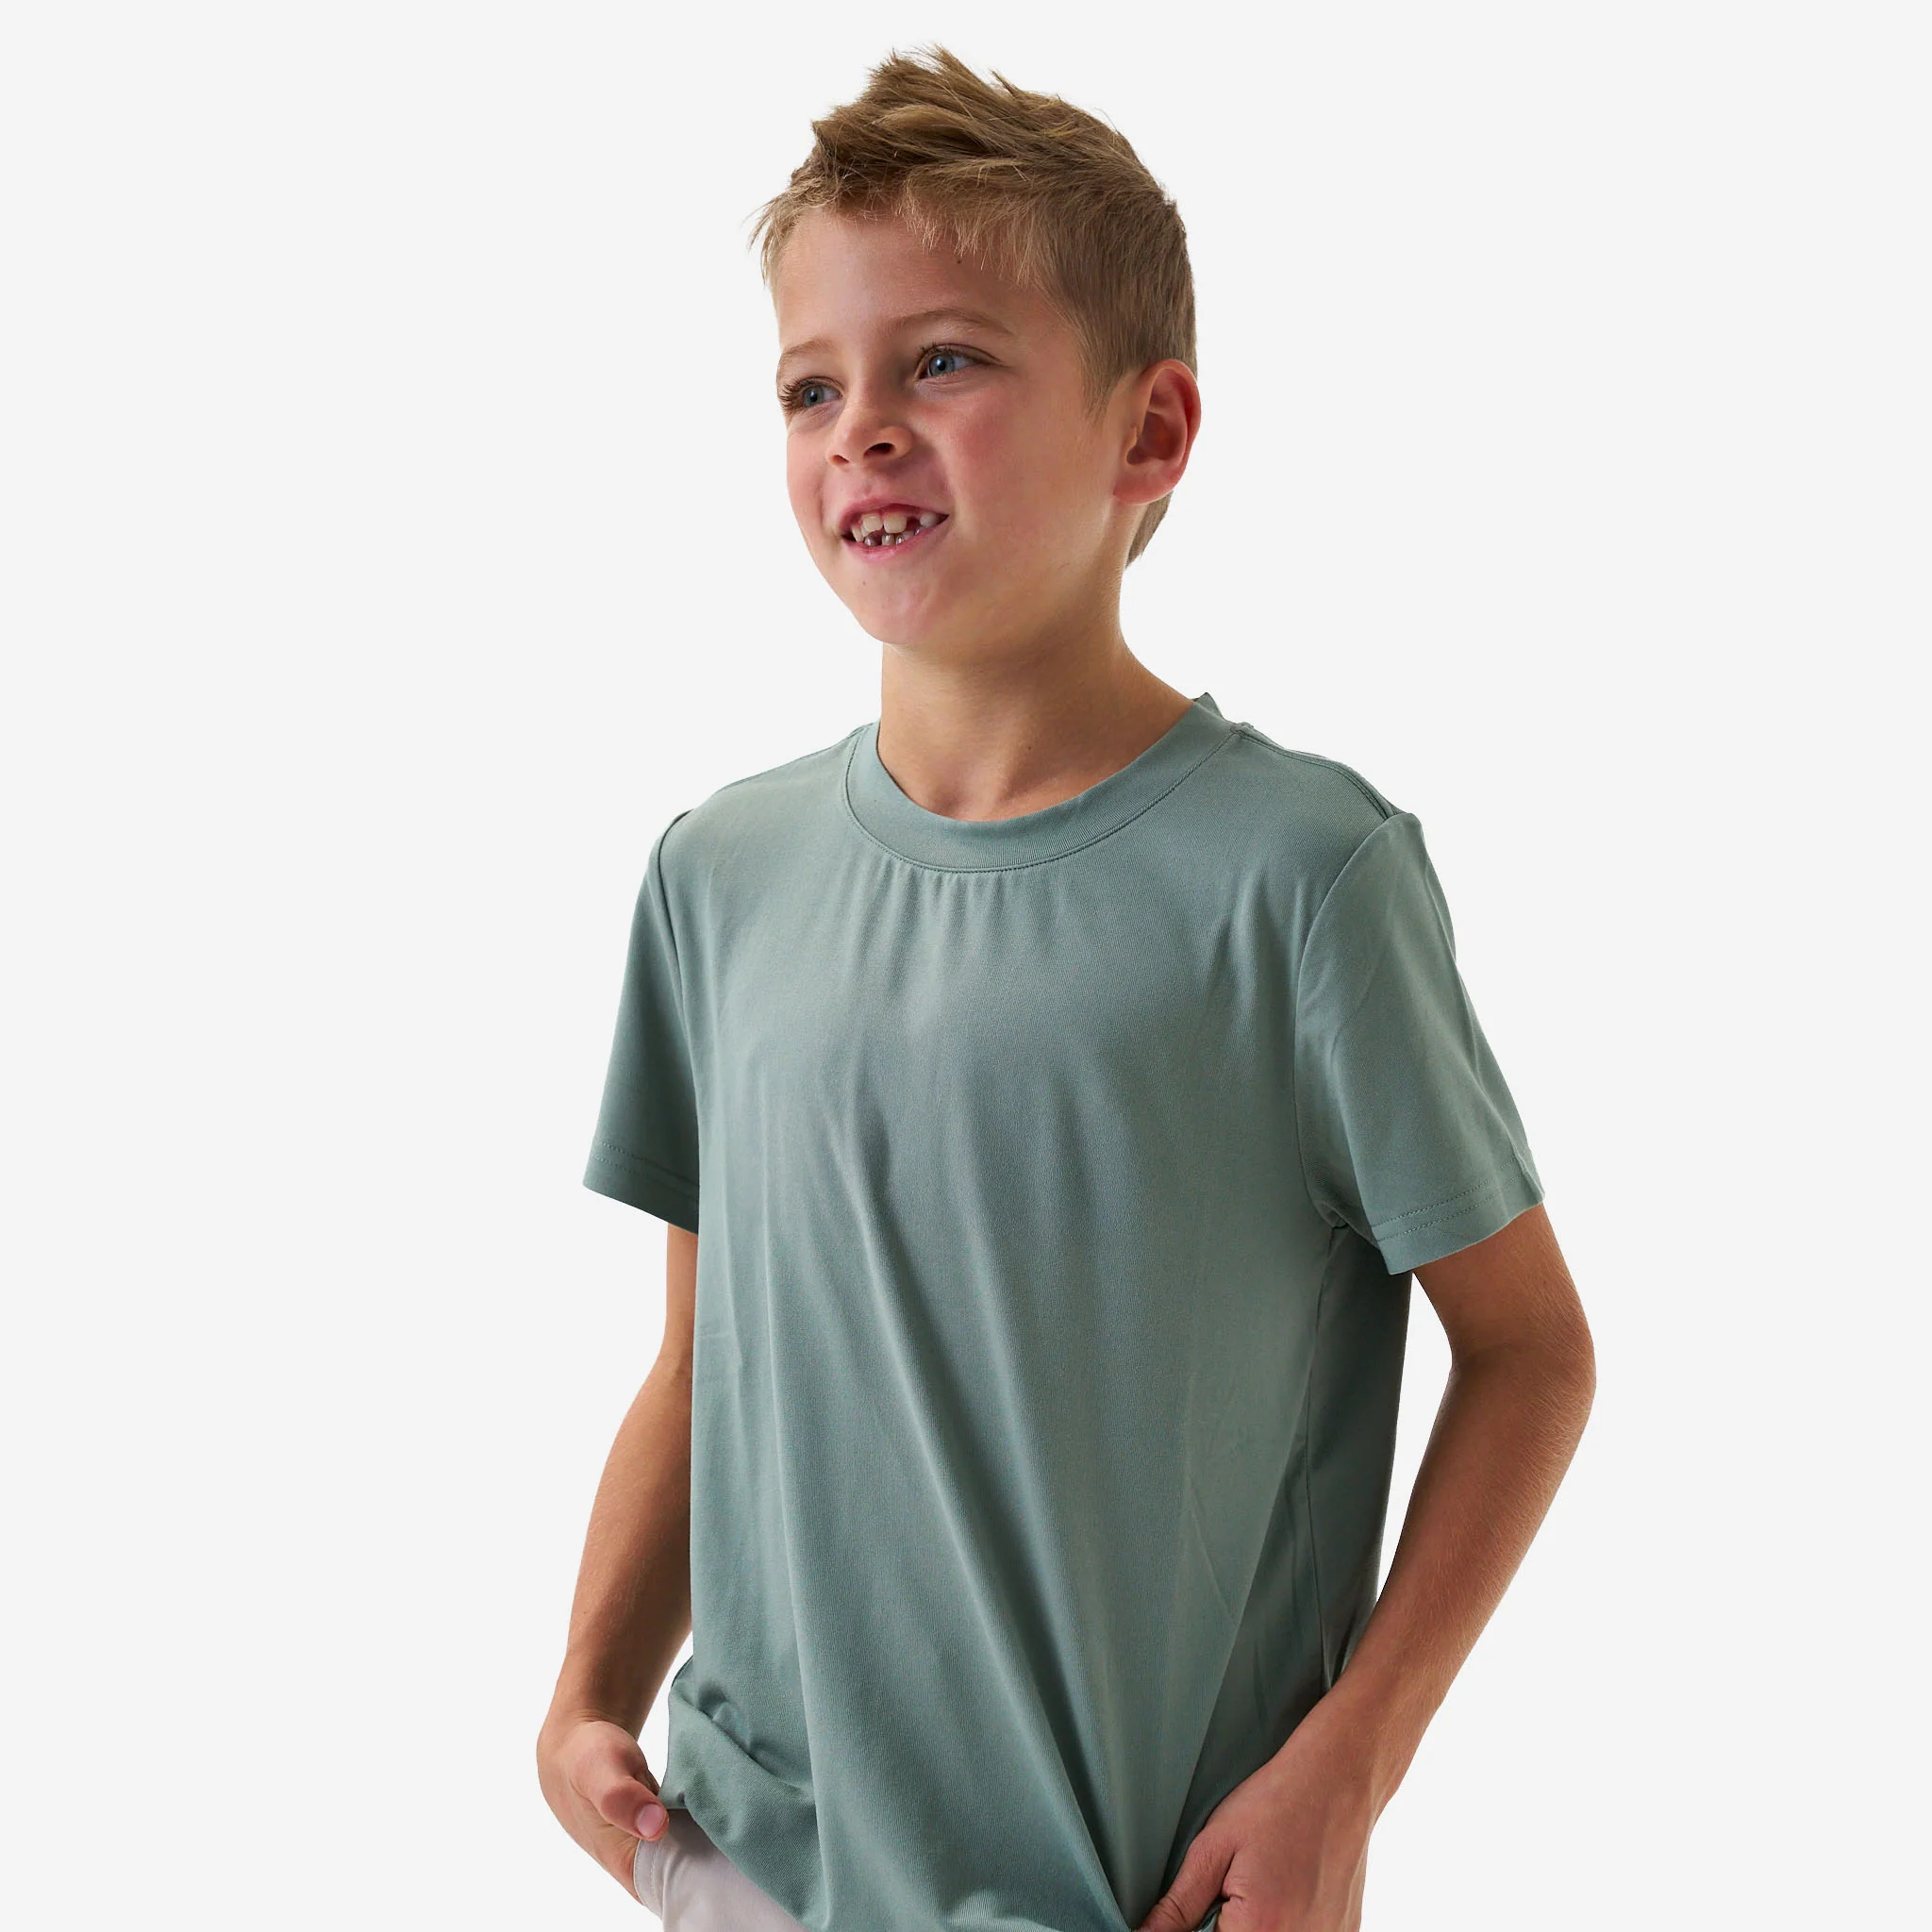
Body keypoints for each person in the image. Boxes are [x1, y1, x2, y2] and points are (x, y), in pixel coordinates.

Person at [535, 42, 1595, 1932]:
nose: (862, 428)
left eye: (940, 361)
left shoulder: (1300, 878)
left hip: (1145, 1893)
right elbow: (704, 1366)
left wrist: (1348, 1765)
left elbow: (1527, 1353)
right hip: (747, 1877)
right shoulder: (719, 875)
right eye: (810, 385)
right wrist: (580, 1699)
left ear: (1150, 432)